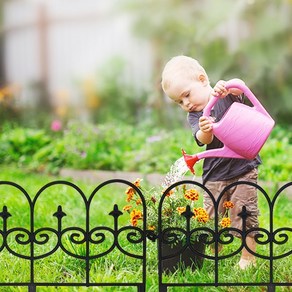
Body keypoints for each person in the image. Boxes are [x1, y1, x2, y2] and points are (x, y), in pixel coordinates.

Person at [161, 55, 261, 270]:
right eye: (179, 101)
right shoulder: (196, 115)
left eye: (186, 95)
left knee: (244, 213)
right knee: (211, 218)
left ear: (202, 79)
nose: (186, 103)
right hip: (214, 173)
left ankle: (247, 258)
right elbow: (200, 139)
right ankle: (215, 253)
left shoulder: (224, 95)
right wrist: (205, 130)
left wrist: (229, 87)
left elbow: (240, 88)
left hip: (242, 168)